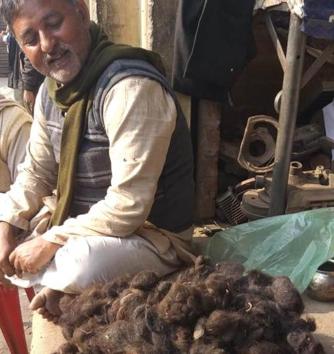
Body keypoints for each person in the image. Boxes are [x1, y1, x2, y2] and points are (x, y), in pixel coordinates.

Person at [0, 0, 194, 321]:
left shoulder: (130, 87)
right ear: (20, 47)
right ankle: (62, 285)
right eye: (31, 39)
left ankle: (64, 284)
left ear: (81, 11)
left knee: (82, 262)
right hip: (91, 226)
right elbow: (36, 174)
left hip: (151, 237)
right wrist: (7, 225)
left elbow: (128, 207)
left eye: (53, 23)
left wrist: (50, 240)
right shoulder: (51, 92)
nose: (48, 45)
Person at [0, 26, 44, 113]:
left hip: (26, 82)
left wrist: (28, 87)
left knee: (26, 114)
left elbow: (30, 56)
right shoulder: (14, 26)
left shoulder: (24, 25)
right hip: (19, 79)